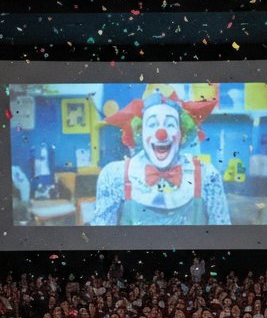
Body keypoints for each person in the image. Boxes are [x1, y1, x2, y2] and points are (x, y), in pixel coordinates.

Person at [92, 89, 230, 226]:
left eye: (170, 124)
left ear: (182, 132)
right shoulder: (114, 176)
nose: (161, 134)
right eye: (152, 124)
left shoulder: (207, 176)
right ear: (140, 132)